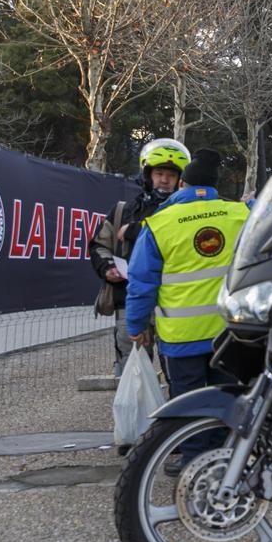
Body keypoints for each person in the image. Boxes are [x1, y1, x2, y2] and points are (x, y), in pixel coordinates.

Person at [124, 148, 250, 477]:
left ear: (182, 184)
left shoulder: (160, 223)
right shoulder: (239, 215)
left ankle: (195, 462)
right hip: (229, 332)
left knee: (189, 400)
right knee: (226, 395)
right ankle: (226, 460)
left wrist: (136, 325)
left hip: (181, 336)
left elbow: (141, 283)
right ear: (214, 187)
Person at [89, 138, 190, 377]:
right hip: (130, 300)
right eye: (159, 173)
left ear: (180, 180)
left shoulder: (187, 214)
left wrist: (137, 229)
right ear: (147, 175)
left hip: (174, 303)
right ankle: (134, 414)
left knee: (179, 370)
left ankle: (179, 413)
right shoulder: (123, 211)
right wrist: (107, 267)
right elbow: (99, 245)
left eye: (171, 175)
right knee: (132, 372)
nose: (164, 180)